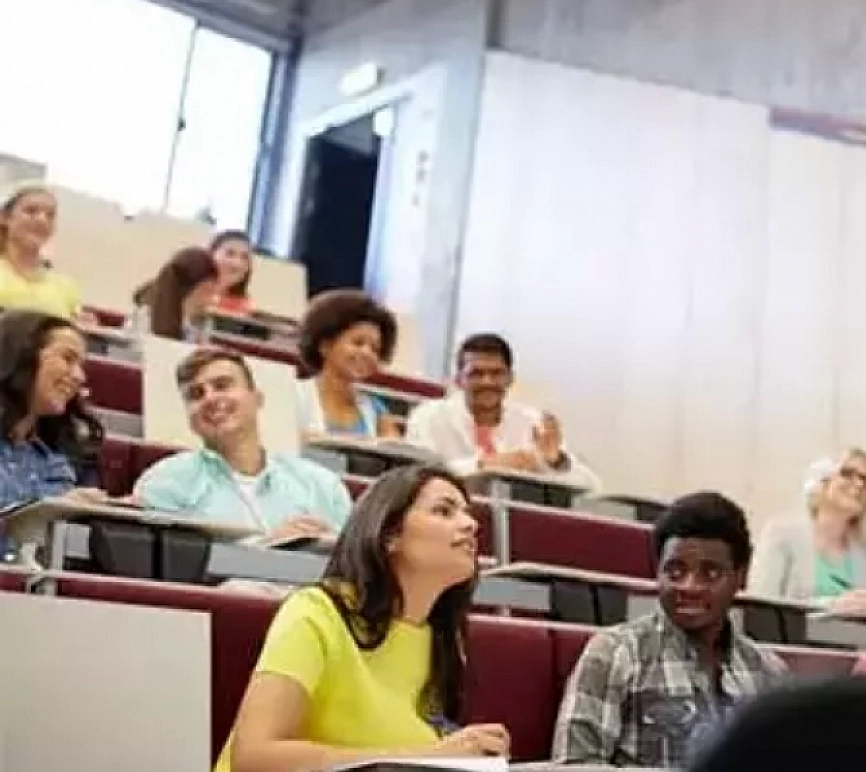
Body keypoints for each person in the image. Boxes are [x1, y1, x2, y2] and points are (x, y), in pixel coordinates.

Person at [218, 464, 508, 772]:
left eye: (468, 512)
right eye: (443, 511)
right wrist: (429, 758)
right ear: (388, 536)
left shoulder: (442, 639)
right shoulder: (316, 612)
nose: (471, 525)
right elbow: (254, 759)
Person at [553, 491, 789, 767]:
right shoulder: (615, 652)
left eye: (710, 573)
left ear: (740, 577)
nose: (689, 587)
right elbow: (573, 765)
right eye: (675, 572)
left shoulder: (768, 671)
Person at [134, 347, 352, 541]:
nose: (209, 398)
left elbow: (358, 564)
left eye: (222, 385)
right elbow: (171, 572)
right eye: (196, 394)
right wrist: (269, 547)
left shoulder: (322, 485)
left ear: (257, 398)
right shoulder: (165, 481)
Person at [404, 333, 599, 488]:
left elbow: (590, 485)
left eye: (496, 374)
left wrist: (556, 462)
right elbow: (415, 475)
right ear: (458, 380)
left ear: (510, 378)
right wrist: (485, 465)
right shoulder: (429, 416)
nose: (487, 382)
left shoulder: (532, 422)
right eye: (476, 374)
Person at [0, 312, 107, 555]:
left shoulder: (59, 460)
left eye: (81, 365)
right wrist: (42, 514)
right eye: (67, 359)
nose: (80, 376)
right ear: (23, 356)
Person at [746, 450, 866, 609]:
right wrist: (831, 606)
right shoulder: (782, 534)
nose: (859, 484)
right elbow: (758, 606)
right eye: (847, 473)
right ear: (822, 482)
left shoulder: (862, 549)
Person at [294, 289, 400, 440]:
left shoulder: (376, 411)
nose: (367, 353)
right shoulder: (294, 395)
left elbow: (397, 457)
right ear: (325, 345)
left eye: (375, 349)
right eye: (358, 343)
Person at [0, 183, 80, 319]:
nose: (42, 220)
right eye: (30, 211)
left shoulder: (65, 287)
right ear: (5, 218)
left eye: (49, 215)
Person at [129, 247, 220, 341]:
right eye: (207, 290)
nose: (213, 299)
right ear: (186, 289)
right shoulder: (144, 318)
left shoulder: (199, 322)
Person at [208, 230, 256, 315]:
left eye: (244, 257)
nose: (236, 264)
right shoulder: (187, 289)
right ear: (212, 254)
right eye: (230, 254)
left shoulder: (244, 306)